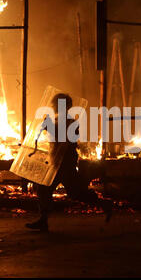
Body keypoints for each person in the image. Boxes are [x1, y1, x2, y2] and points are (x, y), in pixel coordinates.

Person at [25, 93, 112, 232]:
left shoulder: (71, 122)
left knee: (72, 192)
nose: (53, 107)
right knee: (49, 189)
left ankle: (105, 205)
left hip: (65, 163)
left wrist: (49, 127)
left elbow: (66, 139)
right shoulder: (58, 120)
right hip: (57, 161)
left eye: (55, 105)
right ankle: (44, 220)